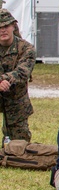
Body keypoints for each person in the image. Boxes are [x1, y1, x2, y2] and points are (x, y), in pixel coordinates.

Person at [0, 7, 36, 141]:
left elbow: (22, 73)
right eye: (0, 27)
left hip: (16, 100)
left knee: (19, 147)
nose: (3, 30)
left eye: (6, 25)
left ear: (13, 27)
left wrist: (3, 80)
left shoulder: (27, 48)